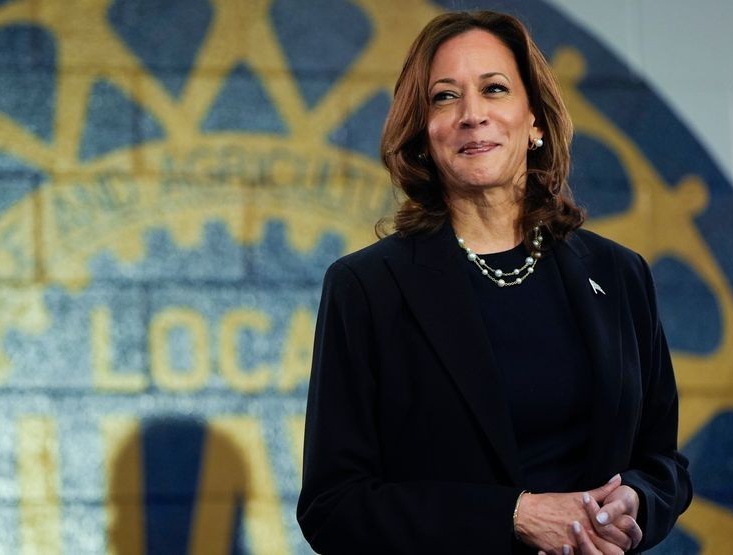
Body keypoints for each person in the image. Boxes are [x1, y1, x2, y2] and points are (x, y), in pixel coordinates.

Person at [297, 10, 692, 555]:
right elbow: (333, 506)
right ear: (422, 134)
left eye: (495, 89)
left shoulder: (620, 276)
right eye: (444, 97)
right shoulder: (366, 288)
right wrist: (514, 515)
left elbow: (664, 464)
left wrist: (639, 502)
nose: (471, 115)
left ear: (534, 122)